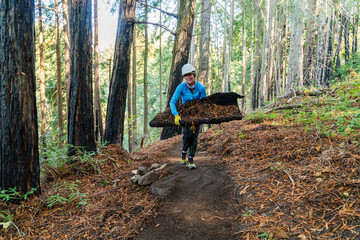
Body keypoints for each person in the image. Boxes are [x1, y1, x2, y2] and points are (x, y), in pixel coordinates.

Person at [170, 63, 207, 169]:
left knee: (194, 138)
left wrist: (201, 115)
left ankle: (191, 158)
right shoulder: (181, 87)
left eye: (190, 74)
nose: (188, 77)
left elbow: (204, 104)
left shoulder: (200, 88)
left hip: (197, 115)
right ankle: (183, 154)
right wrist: (176, 115)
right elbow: (172, 102)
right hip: (185, 115)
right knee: (187, 136)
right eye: (186, 75)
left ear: (194, 74)